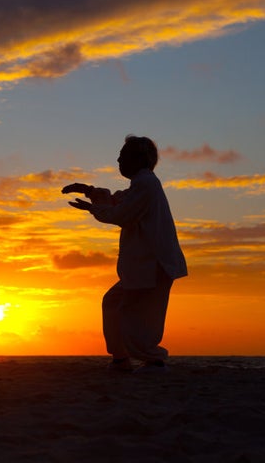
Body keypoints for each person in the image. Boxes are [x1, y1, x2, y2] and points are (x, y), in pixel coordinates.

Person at [62, 135, 187, 374]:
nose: (118, 160)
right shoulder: (141, 184)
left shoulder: (146, 184)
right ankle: (121, 360)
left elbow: (122, 214)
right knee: (114, 303)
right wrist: (90, 191)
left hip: (153, 264)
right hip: (145, 265)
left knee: (135, 315)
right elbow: (118, 201)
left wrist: (92, 207)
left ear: (139, 159)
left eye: (123, 156)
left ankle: (154, 361)